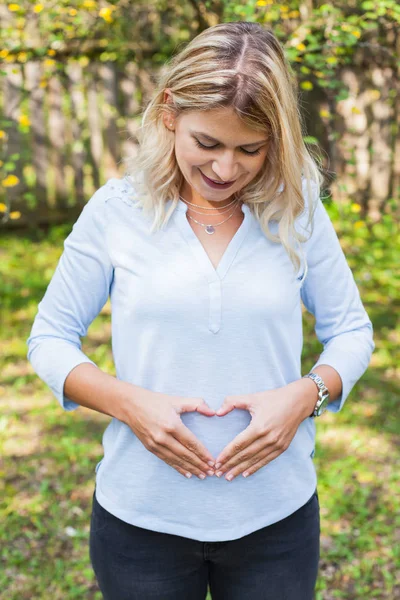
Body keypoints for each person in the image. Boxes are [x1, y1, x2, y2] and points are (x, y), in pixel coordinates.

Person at [26, 21, 374, 600]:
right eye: (206, 144)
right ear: (169, 114)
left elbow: (353, 331)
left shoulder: (299, 208)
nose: (225, 169)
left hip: (276, 520)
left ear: (277, 139)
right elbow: (50, 339)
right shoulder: (117, 210)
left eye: (250, 149)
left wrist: (306, 394)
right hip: (140, 521)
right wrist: (130, 404)